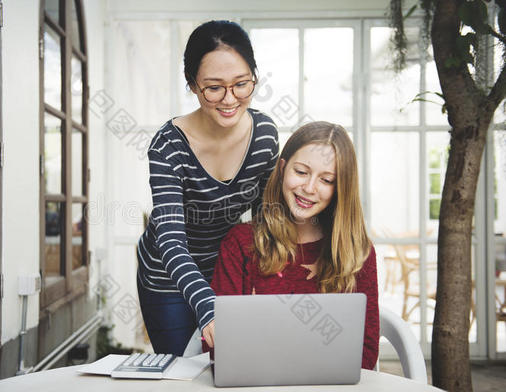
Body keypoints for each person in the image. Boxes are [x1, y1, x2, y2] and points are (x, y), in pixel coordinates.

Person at [137, 20, 280, 355]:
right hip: (167, 277)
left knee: (230, 370)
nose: (229, 100)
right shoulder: (168, 146)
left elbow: (265, 220)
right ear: (192, 85)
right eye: (214, 88)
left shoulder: (264, 137)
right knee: (180, 373)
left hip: (226, 270)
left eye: (242, 84)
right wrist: (206, 304)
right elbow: (171, 239)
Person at [208, 121, 379, 370]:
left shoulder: (357, 252)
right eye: (301, 172)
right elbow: (215, 345)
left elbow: (366, 353)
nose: (309, 188)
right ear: (282, 169)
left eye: (327, 179)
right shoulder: (240, 243)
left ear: (340, 188)